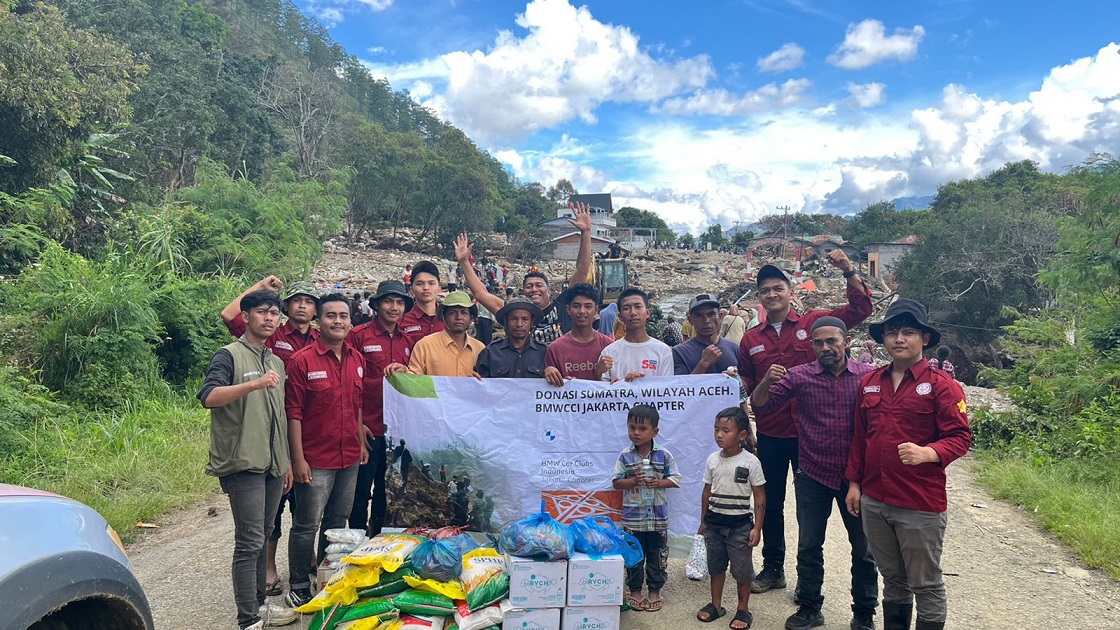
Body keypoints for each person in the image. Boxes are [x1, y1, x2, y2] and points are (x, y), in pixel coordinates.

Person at [738, 253, 873, 594]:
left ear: (790, 291)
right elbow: (748, 386)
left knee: (808, 513)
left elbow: (860, 310)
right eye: (765, 290)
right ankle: (772, 569)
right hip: (771, 433)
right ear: (760, 297)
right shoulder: (751, 340)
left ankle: (807, 584)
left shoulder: (815, 324)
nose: (772, 294)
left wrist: (849, 269)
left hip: (812, 437)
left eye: (778, 288)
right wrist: (747, 428)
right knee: (769, 503)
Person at [846, 300, 971, 630]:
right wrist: (855, 485)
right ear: (884, 340)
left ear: (924, 339)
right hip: (875, 500)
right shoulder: (870, 382)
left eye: (908, 332)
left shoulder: (943, 385)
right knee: (893, 581)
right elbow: (860, 438)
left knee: (925, 584)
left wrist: (929, 453)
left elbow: (960, 437)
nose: (899, 339)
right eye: (891, 333)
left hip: (919, 503)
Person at [750, 317, 878, 630]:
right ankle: (809, 607)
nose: (825, 348)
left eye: (832, 341)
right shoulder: (799, 377)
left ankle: (863, 614)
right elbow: (760, 405)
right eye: (818, 343)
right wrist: (766, 380)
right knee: (809, 546)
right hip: (813, 475)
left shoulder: (868, 377)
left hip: (856, 480)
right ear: (812, 346)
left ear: (847, 342)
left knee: (864, 550)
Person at [198, 290, 296, 630]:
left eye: (274, 313)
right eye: (262, 312)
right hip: (243, 464)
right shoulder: (229, 356)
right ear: (247, 317)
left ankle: (260, 605)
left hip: (271, 465)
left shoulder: (276, 362)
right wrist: (253, 384)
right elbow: (209, 397)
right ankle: (248, 619)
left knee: (265, 532)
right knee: (249, 541)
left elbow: (279, 417)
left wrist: (284, 463)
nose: (269, 318)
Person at [221, 277, 320, 598]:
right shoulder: (270, 333)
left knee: (307, 505)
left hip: (309, 428)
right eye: (296, 300)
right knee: (271, 512)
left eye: (309, 301)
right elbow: (229, 315)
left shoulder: (321, 338)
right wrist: (262, 285)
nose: (303, 305)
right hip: (272, 428)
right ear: (286, 308)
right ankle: (268, 569)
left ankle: (306, 564)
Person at [283, 294, 366, 610]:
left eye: (343, 316)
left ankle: (325, 577)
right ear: (319, 321)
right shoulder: (302, 361)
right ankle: (300, 584)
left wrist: (359, 441)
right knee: (306, 524)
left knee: (336, 521)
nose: (338, 322)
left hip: (348, 458)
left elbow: (356, 406)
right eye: (331, 316)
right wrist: (298, 459)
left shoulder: (357, 360)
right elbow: (293, 413)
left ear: (350, 321)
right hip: (315, 460)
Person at [454, 202, 593, 344]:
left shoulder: (563, 306)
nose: (534, 289)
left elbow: (582, 269)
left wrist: (586, 232)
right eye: (529, 286)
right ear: (523, 292)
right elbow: (481, 294)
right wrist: (465, 262)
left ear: (548, 291)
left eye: (539, 285)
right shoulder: (514, 313)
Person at [347, 280, 414, 537]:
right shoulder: (358, 336)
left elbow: (416, 379)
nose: (394, 307)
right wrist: (357, 423)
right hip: (368, 427)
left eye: (399, 303)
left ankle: (378, 542)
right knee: (360, 492)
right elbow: (350, 382)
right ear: (376, 305)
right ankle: (355, 541)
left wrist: (407, 371)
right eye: (388, 301)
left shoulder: (408, 341)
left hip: (397, 433)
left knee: (387, 492)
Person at [697, 407, 766, 630]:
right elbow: (706, 491)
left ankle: (743, 609)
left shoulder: (750, 462)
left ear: (742, 435)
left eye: (726, 430)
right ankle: (716, 605)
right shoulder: (712, 460)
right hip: (714, 525)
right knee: (716, 566)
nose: (719, 435)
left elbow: (759, 496)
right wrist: (703, 521)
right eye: (716, 429)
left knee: (742, 570)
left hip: (740, 527)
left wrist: (757, 527)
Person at [612, 404, 681, 613]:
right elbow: (616, 482)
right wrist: (632, 480)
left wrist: (658, 483)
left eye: (642, 429)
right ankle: (635, 591)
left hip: (658, 518)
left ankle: (654, 591)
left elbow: (676, 479)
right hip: (633, 519)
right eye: (632, 427)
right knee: (634, 556)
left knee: (657, 555)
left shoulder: (664, 456)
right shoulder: (625, 456)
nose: (636, 433)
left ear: (655, 432)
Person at [543, 284, 615, 384]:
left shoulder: (609, 346)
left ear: (596, 310)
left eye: (588, 306)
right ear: (568, 309)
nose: (582, 311)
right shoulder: (555, 349)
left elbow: (616, 387)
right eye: (576, 306)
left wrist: (598, 374)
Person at [599, 288, 674, 382]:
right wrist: (617, 386)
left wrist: (640, 384)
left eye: (638, 307)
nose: (633, 313)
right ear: (620, 317)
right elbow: (602, 391)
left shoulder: (663, 351)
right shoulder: (609, 353)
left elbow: (666, 390)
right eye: (626, 308)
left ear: (647, 313)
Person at [407, 291, 484, 377]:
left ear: (471, 318)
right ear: (443, 317)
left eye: (464, 313)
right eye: (452, 313)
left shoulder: (480, 348)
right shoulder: (425, 345)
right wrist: (403, 371)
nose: (458, 317)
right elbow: (414, 379)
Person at [475, 297, 547, 378]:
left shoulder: (545, 353)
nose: (519, 324)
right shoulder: (490, 353)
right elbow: (479, 387)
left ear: (531, 322)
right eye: (513, 319)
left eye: (525, 319)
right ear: (506, 321)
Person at [674, 293, 740, 375]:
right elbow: (680, 386)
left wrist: (737, 380)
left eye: (711, 314)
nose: (706, 321)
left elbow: (747, 384)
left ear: (719, 316)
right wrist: (703, 364)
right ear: (690, 320)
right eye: (698, 315)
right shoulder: (679, 353)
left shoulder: (735, 349)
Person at [400, 260, 445, 343]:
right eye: (419, 283)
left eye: (431, 283)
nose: (426, 288)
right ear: (411, 290)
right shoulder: (401, 321)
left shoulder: (448, 317)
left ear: (439, 289)